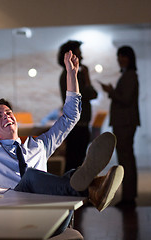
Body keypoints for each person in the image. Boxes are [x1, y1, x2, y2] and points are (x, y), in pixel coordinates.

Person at [0, 52, 123, 213]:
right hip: (9, 212)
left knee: (39, 177)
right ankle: (91, 187)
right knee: (31, 177)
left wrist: (72, 75)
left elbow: (70, 117)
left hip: (47, 212)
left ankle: (89, 186)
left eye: (9, 113)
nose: (6, 116)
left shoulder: (39, 145)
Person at [100, 46, 140, 207]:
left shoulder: (129, 76)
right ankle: (129, 196)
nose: (120, 59)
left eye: (122, 56)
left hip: (125, 122)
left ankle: (129, 198)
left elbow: (126, 99)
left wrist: (111, 91)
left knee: (126, 160)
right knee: (127, 158)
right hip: (126, 122)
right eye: (119, 56)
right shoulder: (128, 75)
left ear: (129, 58)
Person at [58, 40, 98, 172]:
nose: (82, 57)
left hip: (78, 123)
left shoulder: (67, 75)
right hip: (77, 124)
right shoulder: (72, 75)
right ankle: (71, 191)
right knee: (75, 162)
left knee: (75, 161)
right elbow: (91, 93)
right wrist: (87, 77)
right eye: (79, 54)